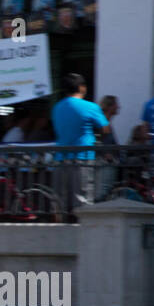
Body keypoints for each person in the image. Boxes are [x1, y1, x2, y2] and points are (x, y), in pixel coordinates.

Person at [50, 73, 109, 212]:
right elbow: (106, 129)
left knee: (60, 203)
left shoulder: (56, 108)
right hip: (82, 160)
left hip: (60, 160)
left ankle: (60, 229)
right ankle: (84, 232)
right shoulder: (91, 107)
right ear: (82, 88)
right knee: (82, 203)